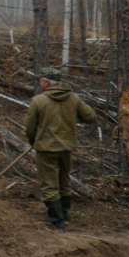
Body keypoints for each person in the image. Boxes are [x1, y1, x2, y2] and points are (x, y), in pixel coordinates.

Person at [25, 67, 96, 229]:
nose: (39, 83)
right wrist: (72, 115)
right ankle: (65, 212)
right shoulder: (74, 98)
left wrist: (33, 141)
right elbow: (91, 117)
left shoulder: (38, 101)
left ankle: (58, 220)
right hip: (66, 148)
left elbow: (29, 127)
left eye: (41, 80)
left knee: (49, 184)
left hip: (46, 149)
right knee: (64, 181)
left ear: (47, 82)